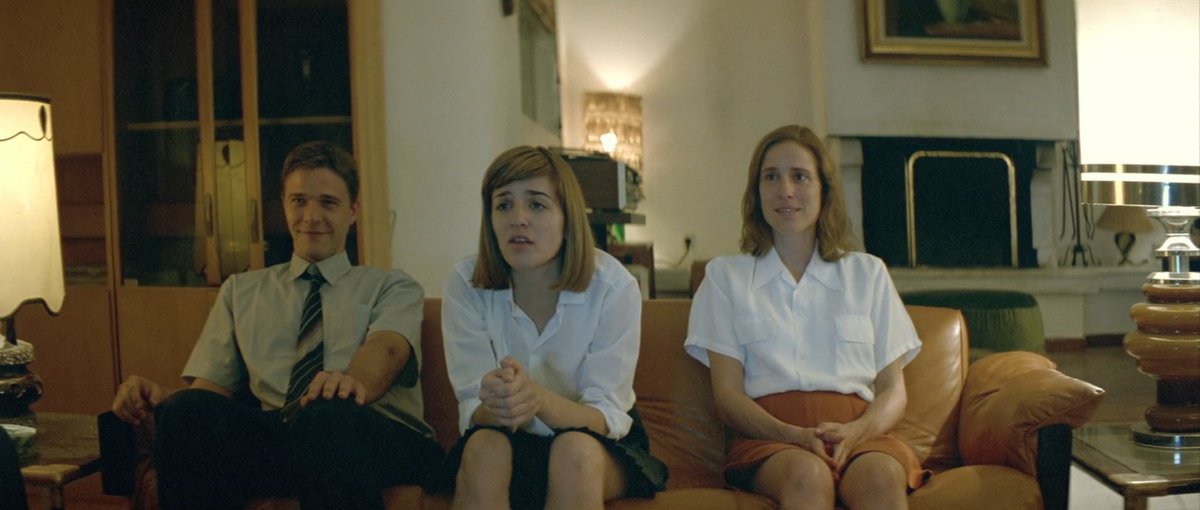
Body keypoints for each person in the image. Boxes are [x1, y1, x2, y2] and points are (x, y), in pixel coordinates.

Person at [110, 141, 443, 510]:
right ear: (284, 205)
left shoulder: (392, 286)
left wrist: (350, 383)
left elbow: (388, 350)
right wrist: (160, 397)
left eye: (328, 203)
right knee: (186, 411)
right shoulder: (241, 291)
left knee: (330, 410)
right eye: (299, 201)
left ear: (353, 211)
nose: (311, 216)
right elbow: (210, 394)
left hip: (376, 436)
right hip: (286, 439)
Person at [684, 125, 927, 510]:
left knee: (881, 477)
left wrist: (857, 431)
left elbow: (893, 390)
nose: (785, 190)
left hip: (859, 436)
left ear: (824, 190)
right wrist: (793, 435)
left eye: (799, 176)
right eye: (771, 177)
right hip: (771, 441)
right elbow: (727, 396)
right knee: (807, 474)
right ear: (756, 192)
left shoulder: (868, 274)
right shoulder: (725, 277)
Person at [435, 146, 667, 510]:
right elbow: (472, 410)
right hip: (503, 437)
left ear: (567, 218)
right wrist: (498, 401)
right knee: (484, 448)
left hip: (595, 441)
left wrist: (538, 399)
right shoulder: (465, 282)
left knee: (574, 451)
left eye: (537, 205)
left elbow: (605, 415)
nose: (518, 219)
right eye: (504, 205)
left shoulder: (613, 286)